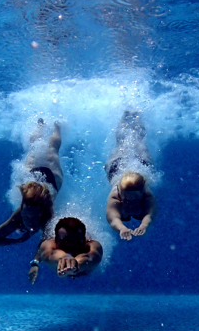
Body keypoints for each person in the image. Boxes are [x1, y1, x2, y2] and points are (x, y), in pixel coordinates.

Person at [0, 120, 63, 246]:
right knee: (40, 148)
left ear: (41, 214)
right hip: (46, 179)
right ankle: (42, 126)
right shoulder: (17, 217)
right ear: (21, 213)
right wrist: (19, 240)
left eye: (34, 218)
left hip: (51, 177)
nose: (31, 223)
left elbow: (44, 245)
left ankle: (57, 127)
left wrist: (35, 262)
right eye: (27, 218)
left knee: (49, 148)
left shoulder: (48, 218)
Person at [105, 111, 156, 241]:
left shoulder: (147, 195)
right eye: (127, 199)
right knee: (121, 142)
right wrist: (121, 227)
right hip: (117, 165)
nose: (131, 203)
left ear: (142, 193)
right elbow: (113, 218)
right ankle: (125, 116)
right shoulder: (115, 196)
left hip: (137, 164)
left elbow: (150, 215)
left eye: (135, 199)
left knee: (139, 141)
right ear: (121, 193)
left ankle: (138, 116)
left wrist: (144, 225)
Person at [28, 217, 103, 283]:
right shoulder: (48, 245)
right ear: (55, 240)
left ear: (84, 240)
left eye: (76, 241)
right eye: (65, 241)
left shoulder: (92, 245)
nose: (71, 245)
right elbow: (50, 253)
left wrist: (77, 264)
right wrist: (35, 264)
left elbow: (89, 257)